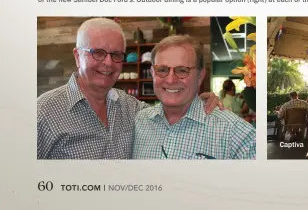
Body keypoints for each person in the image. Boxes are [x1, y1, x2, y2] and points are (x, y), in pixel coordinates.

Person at [37, 19, 221, 159]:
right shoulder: (44, 111)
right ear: (78, 56)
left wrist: (196, 100)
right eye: (98, 53)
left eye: (116, 55)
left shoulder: (131, 107)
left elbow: (167, 113)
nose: (108, 63)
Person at [133, 35, 255, 159]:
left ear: (200, 76)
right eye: (162, 70)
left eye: (182, 70)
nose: (170, 80)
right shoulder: (138, 123)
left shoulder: (238, 134)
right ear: (153, 73)